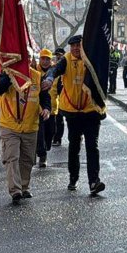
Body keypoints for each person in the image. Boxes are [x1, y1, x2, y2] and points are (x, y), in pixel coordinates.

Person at [43, 35, 107, 196]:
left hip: (91, 110)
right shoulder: (66, 59)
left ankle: (94, 181)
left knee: (93, 146)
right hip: (72, 112)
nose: (76, 49)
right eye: (73, 46)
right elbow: (55, 69)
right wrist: (50, 78)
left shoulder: (90, 58)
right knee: (74, 145)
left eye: (78, 46)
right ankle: (73, 178)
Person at [0, 63, 51, 204]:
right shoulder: (7, 73)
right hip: (9, 125)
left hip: (30, 125)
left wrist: (47, 109)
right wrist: (10, 75)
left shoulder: (37, 76)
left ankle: (24, 187)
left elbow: (44, 97)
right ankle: (15, 191)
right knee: (12, 157)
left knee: (28, 159)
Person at [35, 49, 56, 168]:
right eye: (43, 58)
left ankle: (45, 148)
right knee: (40, 134)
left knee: (51, 132)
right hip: (39, 108)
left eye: (47, 59)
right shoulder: (34, 71)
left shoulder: (55, 72)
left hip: (54, 107)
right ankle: (42, 155)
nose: (45, 61)